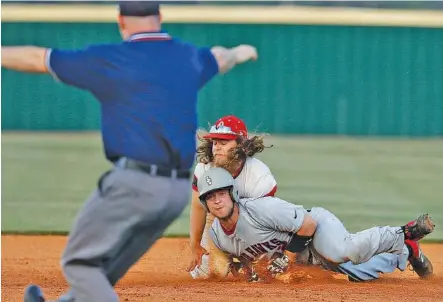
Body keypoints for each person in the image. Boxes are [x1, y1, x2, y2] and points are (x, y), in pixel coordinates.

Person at [1, 2, 259, 301]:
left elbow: (38, 58)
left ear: (121, 21)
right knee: (104, 270)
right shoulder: (186, 56)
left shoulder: (112, 59)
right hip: (175, 192)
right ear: (160, 18)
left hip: (134, 185)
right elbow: (222, 57)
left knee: (79, 263)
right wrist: (241, 52)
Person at [196, 167, 435, 282]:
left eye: (221, 194)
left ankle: (404, 232)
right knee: (362, 273)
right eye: (210, 197)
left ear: (232, 194)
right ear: (205, 204)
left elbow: (307, 225)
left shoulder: (259, 208)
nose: (217, 201)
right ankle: (406, 249)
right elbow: (245, 263)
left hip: (315, 228)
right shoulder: (218, 237)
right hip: (302, 256)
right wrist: (250, 272)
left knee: (344, 251)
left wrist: (286, 257)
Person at [186, 115, 278, 279]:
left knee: (266, 273)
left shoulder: (259, 176)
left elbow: (263, 222)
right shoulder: (204, 169)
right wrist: (195, 246)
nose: (217, 148)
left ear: (241, 145)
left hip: (256, 226)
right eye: (215, 143)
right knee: (206, 274)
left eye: (223, 143)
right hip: (216, 221)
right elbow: (198, 207)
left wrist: (245, 258)